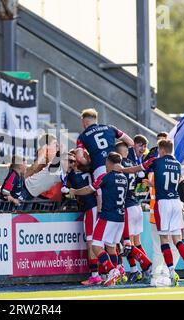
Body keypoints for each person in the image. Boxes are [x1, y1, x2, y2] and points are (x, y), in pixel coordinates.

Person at [135, 139, 184, 286]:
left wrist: (124, 170)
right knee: (177, 240)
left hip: (161, 206)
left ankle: (169, 273)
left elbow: (142, 171)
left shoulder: (156, 164)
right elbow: (174, 186)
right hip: (176, 204)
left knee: (162, 243)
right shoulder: (177, 164)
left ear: (161, 150)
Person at [69, 152, 129, 287]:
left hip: (107, 216)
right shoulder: (124, 178)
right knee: (111, 247)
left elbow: (89, 190)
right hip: (120, 218)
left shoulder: (106, 177)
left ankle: (111, 270)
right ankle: (116, 272)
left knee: (96, 246)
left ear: (108, 162)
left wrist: (75, 191)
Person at [115, 141, 153, 283]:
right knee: (136, 242)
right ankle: (140, 270)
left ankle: (141, 268)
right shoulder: (132, 164)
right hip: (136, 205)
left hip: (127, 207)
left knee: (127, 243)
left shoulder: (119, 166)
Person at [66, 150, 101, 286]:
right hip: (96, 207)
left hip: (91, 208)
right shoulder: (91, 170)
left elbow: (72, 189)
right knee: (99, 241)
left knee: (91, 242)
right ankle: (104, 272)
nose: (71, 164)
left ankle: (95, 275)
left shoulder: (74, 175)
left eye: (73, 161)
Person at [75, 108, 134, 181]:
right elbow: (131, 142)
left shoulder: (82, 137)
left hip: (99, 167)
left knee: (102, 191)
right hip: (116, 165)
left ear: (85, 122)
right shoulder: (110, 128)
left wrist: (89, 162)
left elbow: (79, 158)